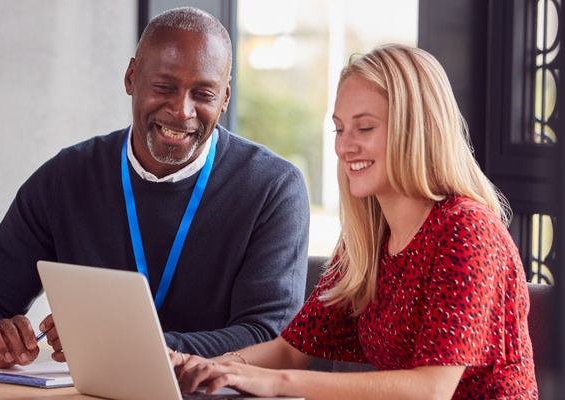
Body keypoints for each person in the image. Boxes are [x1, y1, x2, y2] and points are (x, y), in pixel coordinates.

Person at [0, 7, 310, 369]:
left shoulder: (273, 188)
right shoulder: (66, 178)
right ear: (131, 77)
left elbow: (268, 337)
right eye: (164, 87)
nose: (182, 111)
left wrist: (124, 344)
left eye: (203, 94)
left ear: (225, 97)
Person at [173, 44, 539, 399]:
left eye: (364, 128)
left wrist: (278, 383)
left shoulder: (467, 230)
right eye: (339, 129)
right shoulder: (369, 240)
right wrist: (211, 368)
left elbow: (431, 390)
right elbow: (290, 350)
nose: (345, 147)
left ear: (417, 130)